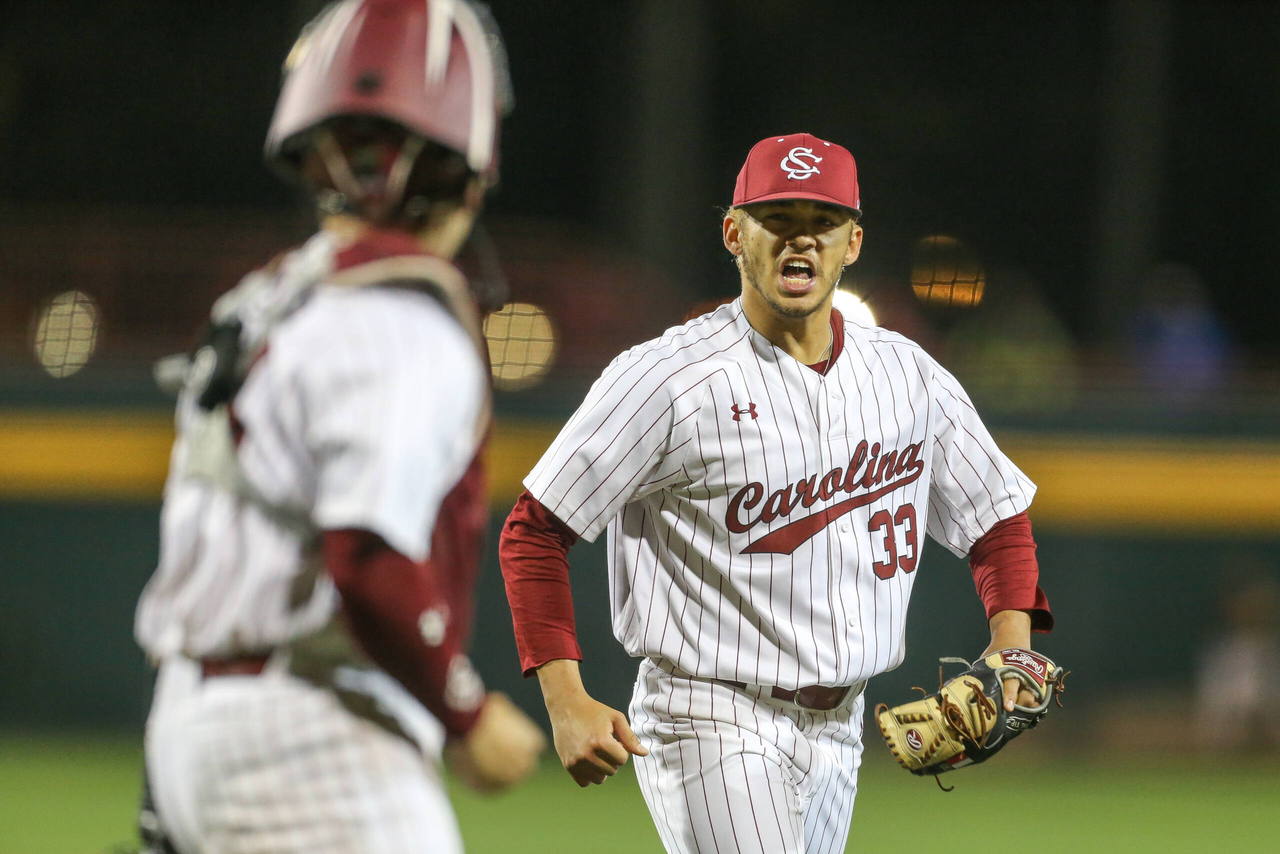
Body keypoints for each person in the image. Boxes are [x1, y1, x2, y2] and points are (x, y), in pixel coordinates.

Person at [500, 133, 1052, 854]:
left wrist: (1012, 647)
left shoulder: (908, 375)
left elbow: (996, 517)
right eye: (778, 220)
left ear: (853, 242)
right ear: (735, 233)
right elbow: (535, 529)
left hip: (842, 728)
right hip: (708, 714)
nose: (802, 242)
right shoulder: (669, 378)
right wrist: (564, 698)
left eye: (822, 223)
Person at [134, 2, 545, 852]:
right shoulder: (398, 318)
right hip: (312, 734)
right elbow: (366, 555)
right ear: (468, 166)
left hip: (191, 718)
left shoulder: (267, 301)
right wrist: (465, 712)